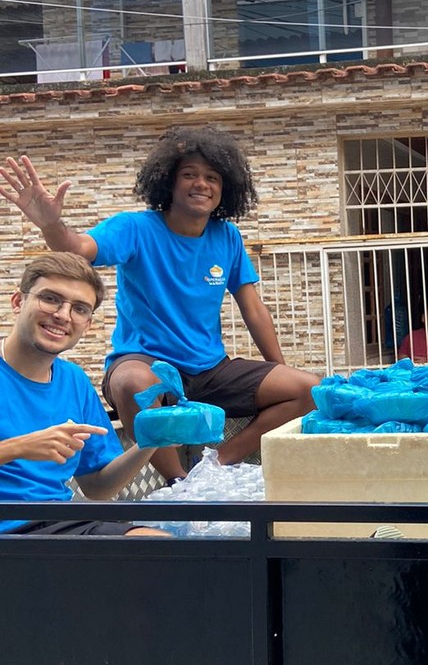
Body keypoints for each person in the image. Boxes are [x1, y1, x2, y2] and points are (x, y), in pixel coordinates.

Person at [1, 127, 318, 482]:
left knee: (308, 389)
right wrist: (51, 224)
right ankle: (178, 482)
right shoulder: (134, 228)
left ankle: (213, 468)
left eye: (212, 178)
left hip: (210, 369)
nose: (201, 184)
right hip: (144, 361)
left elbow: (253, 309)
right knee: (132, 383)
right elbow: (78, 249)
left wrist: (277, 370)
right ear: (168, 182)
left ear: (225, 188)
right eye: (189, 174)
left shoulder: (227, 236)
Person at [0, 254, 168, 536]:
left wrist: (152, 439)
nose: (63, 315)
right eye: (50, 299)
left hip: (55, 526)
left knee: (162, 545)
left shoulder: (74, 381)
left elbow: (97, 486)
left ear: (87, 324)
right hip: (10, 531)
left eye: (79, 308)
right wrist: (19, 447)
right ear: (18, 302)